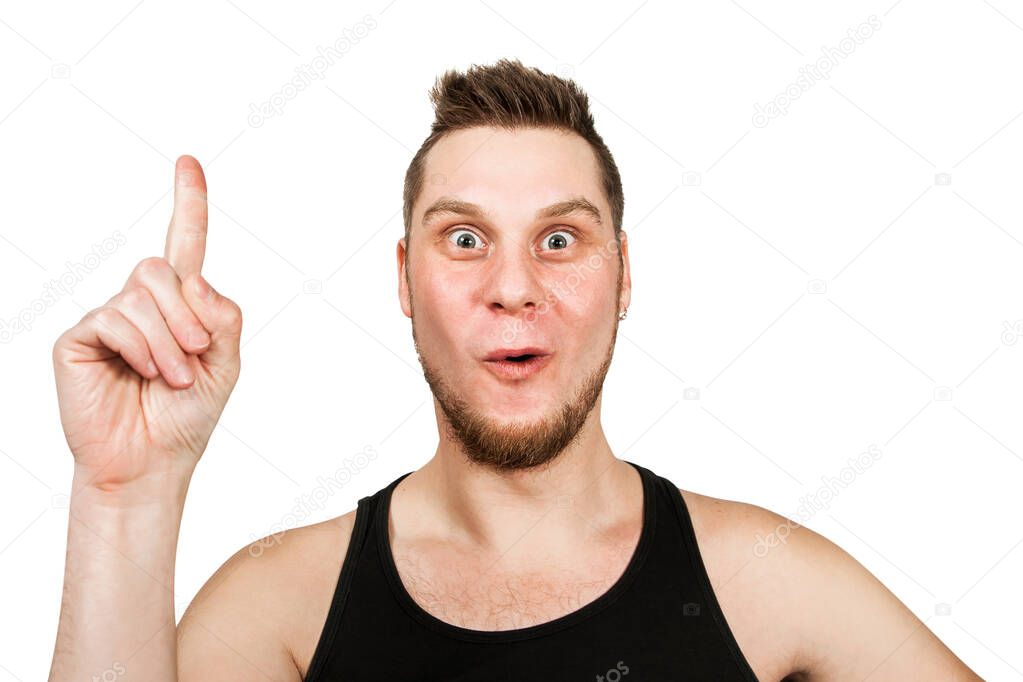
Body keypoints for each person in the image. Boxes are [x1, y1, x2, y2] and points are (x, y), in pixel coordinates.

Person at [47, 58, 980, 681]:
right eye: (463, 238)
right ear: (404, 282)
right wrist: (125, 496)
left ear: (622, 277)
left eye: (560, 239)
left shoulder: (764, 582)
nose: (512, 286)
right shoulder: (279, 608)